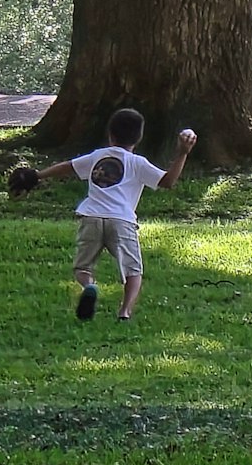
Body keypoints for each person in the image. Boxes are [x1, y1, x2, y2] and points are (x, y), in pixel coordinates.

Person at [19, 108, 195, 323]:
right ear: (139, 137)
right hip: (122, 221)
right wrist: (182, 153)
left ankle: (89, 286)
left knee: (83, 268)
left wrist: (38, 175)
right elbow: (168, 182)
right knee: (133, 271)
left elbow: (68, 167)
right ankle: (124, 312)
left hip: (91, 216)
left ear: (110, 134)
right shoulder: (137, 162)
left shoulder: (97, 156)